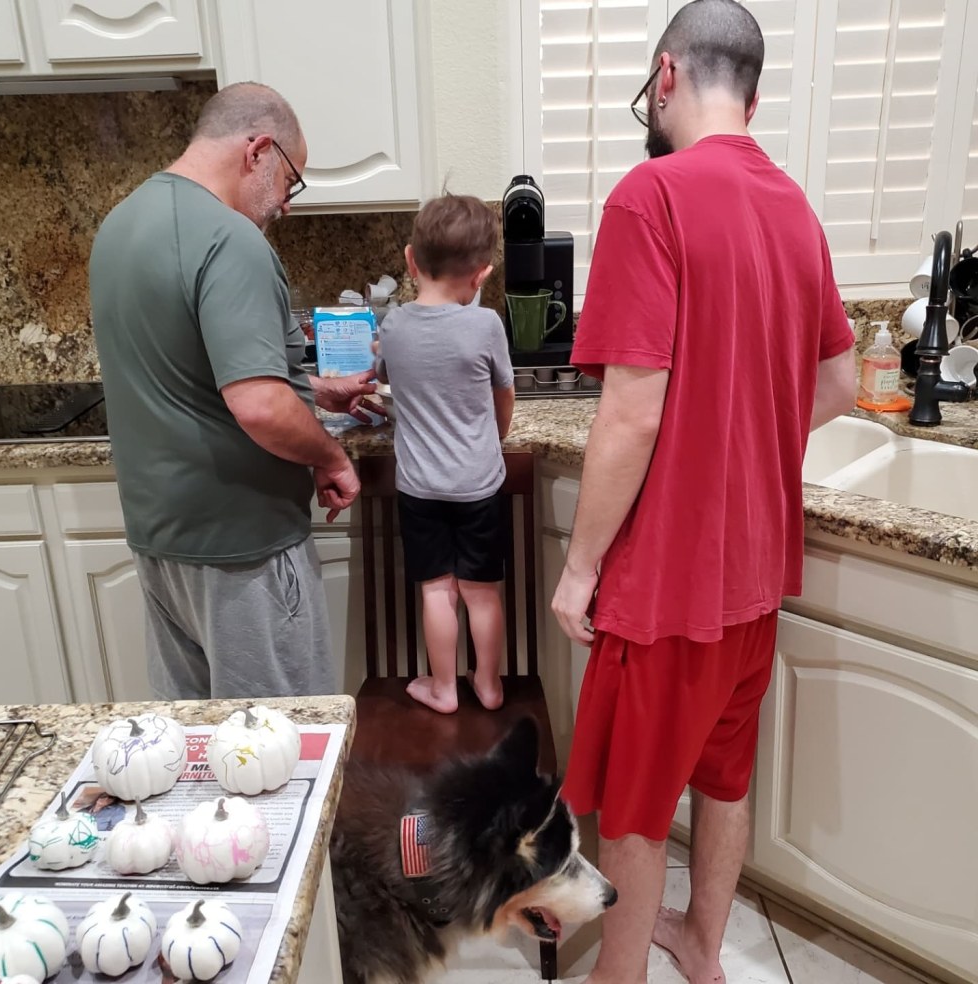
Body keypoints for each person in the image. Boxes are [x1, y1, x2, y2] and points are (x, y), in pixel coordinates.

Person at [549, 3, 857, 982]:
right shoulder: (794, 207)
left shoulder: (651, 197)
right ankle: (703, 945)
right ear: (752, 99)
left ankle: (621, 975)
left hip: (668, 587)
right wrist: (744, 441)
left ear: (666, 75)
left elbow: (631, 414)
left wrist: (579, 568)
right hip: (754, 580)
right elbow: (841, 382)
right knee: (724, 778)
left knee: (636, 808)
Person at [90, 82, 382, 702]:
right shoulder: (231, 239)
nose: (286, 205)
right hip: (243, 549)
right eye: (290, 181)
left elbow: (193, 367)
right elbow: (259, 405)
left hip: (161, 546)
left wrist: (311, 389)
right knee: (281, 738)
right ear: (258, 150)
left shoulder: (121, 225)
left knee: (196, 741)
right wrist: (331, 456)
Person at [375, 194, 515, 714]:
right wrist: (492, 439)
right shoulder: (486, 325)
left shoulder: (392, 327)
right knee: (482, 592)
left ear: (411, 260)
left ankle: (443, 688)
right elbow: (504, 397)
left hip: (420, 488)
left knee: (437, 591)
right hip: (479, 484)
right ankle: (489, 685)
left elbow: (386, 378)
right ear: (482, 274)